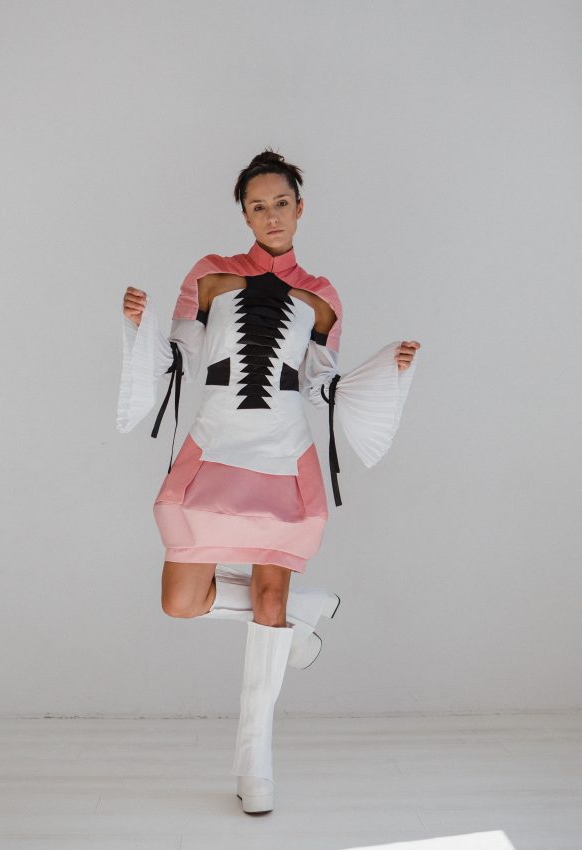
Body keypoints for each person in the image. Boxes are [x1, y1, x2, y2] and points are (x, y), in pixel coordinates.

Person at [116, 148, 420, 814]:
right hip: (216, 442)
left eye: (282, 203)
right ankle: (305, 612)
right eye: (258, 206)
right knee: (180, 599)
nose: (271, 215)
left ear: (299, 208)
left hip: (284, 450)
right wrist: (140, 327)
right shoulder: (209, 274)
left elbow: (320, 384)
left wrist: (384, 370)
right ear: (245, 214)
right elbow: (179, 358)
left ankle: (255, 763)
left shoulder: (322, 295)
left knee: (270, 597)